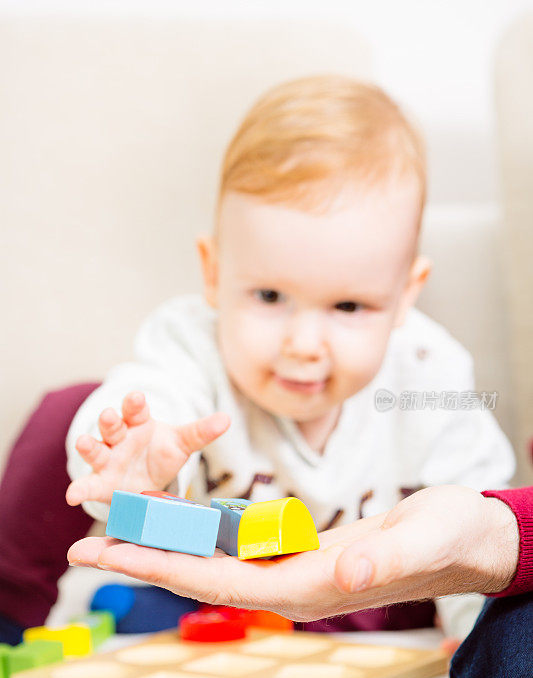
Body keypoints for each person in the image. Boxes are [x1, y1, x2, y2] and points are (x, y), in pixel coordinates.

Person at [0, 76, 514, 642]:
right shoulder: (194, 344)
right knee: (67, 412)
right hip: (222, 583)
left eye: (347, 305)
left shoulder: (429, 375)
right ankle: (10, 609)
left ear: (404, 294)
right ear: (214, 273)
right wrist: (142, 456)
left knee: (453, 562)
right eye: (270, 297)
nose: (302, 343)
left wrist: (473, 632)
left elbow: (478, 519)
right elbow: (156, 391)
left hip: (366, 598)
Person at [67, 483, 533, 678]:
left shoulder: (435, 376)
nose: (304, 347)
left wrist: (466, 615)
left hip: (379, 603)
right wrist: (501, 533)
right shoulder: (188, 362)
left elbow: (456, 534)